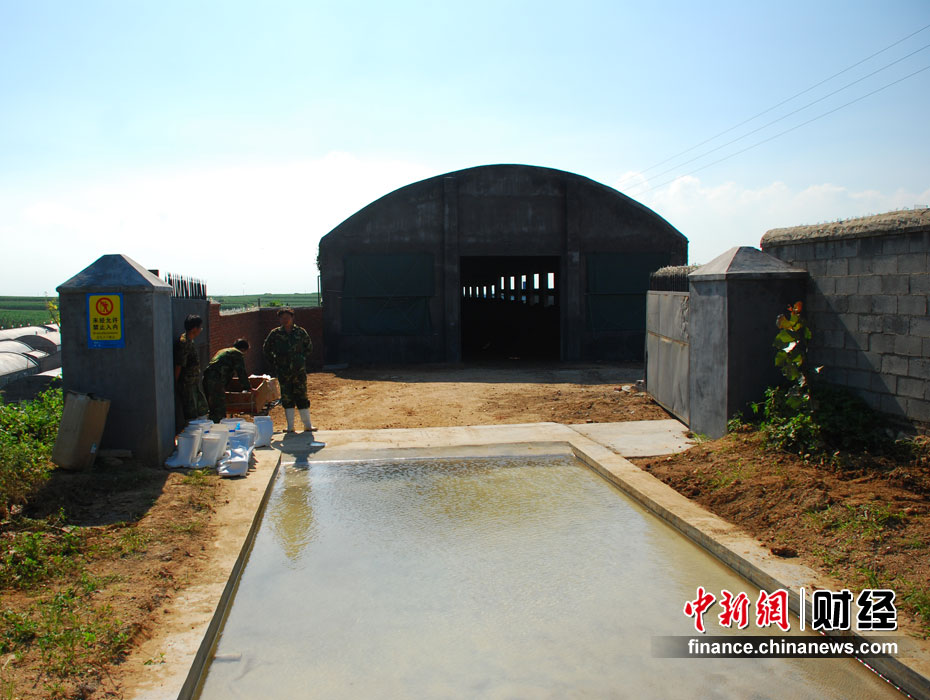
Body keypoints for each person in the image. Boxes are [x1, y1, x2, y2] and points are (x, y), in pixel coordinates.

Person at [263, 308, 314, 432]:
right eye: (282, 318)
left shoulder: (300, 332)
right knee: (287, 397)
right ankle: (290, 427)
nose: (285, 320)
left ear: (292, 318)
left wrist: (300, 358)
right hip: (283, 371)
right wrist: (275, 361)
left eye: (287, 317)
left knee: (302, 396)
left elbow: (309, 347)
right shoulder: (275, 334)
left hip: (299, 371)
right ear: (279, 319)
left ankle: (307, 425)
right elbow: (266, 349)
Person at [203, 338, 251, 423]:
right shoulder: (237, 353)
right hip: (216, 380)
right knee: (219, 408)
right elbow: (241, 372)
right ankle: (218, 427)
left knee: (212, 406)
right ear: (243, 349)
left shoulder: (223, 351)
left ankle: (211, 424)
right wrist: (248, 388)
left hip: (207, 378)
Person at [174, 314, 208, 425]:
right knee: (191, 413)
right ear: (194, 329)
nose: (201, 330)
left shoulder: (190, 341)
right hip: (187, 384)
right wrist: (176, 382)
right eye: (200, 327)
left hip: (194, 382)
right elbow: (179, 365)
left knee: (202, 409)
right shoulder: (184, 343)